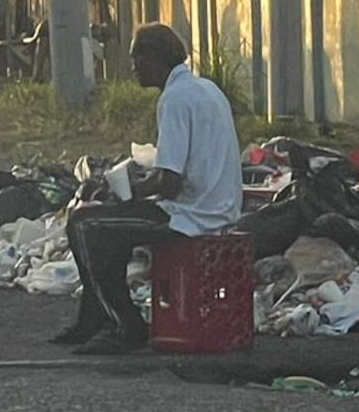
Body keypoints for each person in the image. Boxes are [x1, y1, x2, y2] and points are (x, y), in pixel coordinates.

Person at [58, 23, 243, 354]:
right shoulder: (207, 89)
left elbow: (168, 183)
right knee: (108, 225)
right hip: (219, 207)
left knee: (84, 224)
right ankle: (95, 318)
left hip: (190, 217)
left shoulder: (174, 99)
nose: (134, 68)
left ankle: (125, 324)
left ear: (155, 58)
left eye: (137, 59)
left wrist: (124, 191)